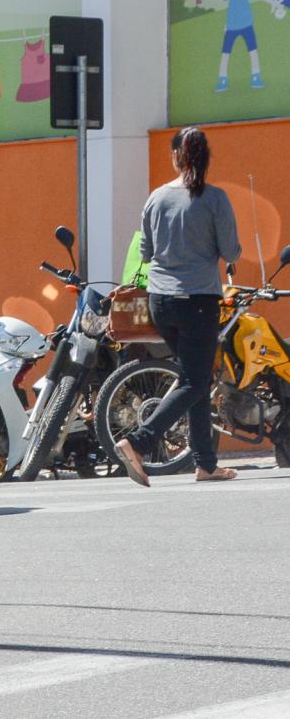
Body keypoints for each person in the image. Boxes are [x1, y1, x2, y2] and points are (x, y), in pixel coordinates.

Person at [115, 127, 242, 486]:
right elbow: (231, 252)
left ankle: (205, 463)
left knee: (194, 379)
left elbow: (146, 252)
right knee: (195, 380)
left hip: (160, 302)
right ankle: (138, 442)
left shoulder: (156, 198)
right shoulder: (215, 199)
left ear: (176, 157)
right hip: (198, 300)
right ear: (206, 159)